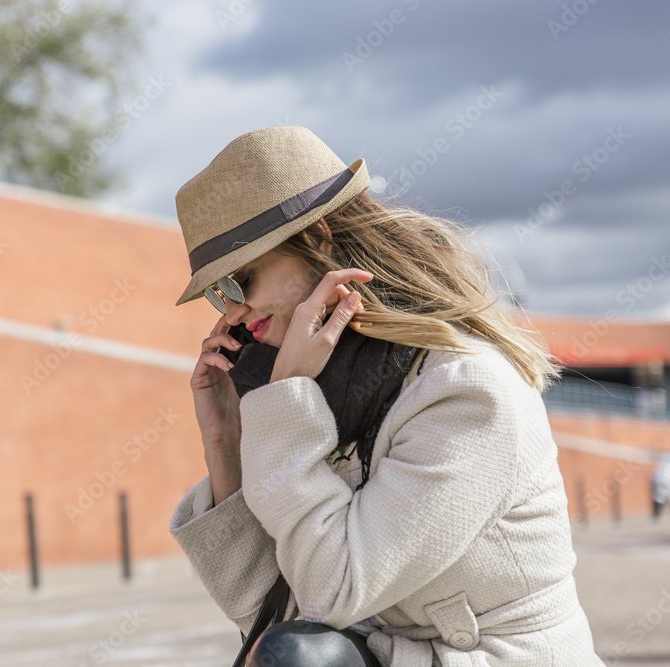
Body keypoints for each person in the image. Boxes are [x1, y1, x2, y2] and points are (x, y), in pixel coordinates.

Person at [168, 126, 604, 665]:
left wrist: (285, 401)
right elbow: (269, 616)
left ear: (320, 240)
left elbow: (331, 595)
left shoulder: (465, 390)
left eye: (239, 280)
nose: (230, 312)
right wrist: (226, 440)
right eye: (217, 293)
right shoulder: (321, 391)